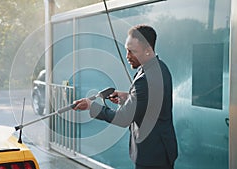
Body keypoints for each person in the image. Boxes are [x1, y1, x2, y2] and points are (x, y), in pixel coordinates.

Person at [73, 24, 178, 169]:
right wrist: (128, 97)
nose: (127, 56)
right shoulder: (161, 67)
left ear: (148, 51)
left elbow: (123, 118)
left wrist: (92, 106)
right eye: (126, 50)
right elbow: (151, 100)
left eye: (132, 51)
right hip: (163, 150)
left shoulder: (145, 79)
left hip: (151, 157)